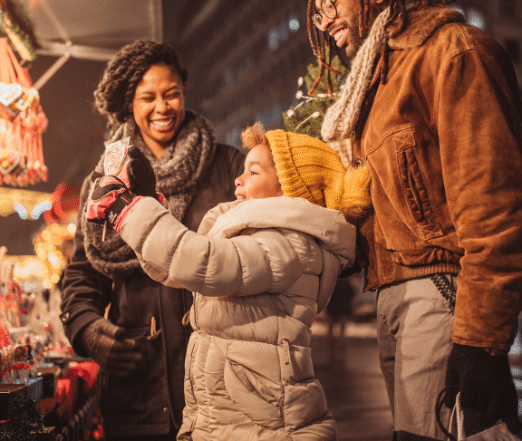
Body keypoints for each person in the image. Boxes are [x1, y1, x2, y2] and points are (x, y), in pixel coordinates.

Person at [305, 0, 522, 440]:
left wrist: (480, 341)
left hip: (441, 292)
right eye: (318, 11)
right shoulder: (373, 85)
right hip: (390, 297)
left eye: (331, 1)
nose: (325, 20)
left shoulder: (453, 52)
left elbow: (493, 207)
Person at [84, 124, 372, 440]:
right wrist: (143, 203)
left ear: (288, 188)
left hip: (265, 424)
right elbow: (177, 268)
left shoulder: (288, 244)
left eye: (253, 173)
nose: (239, 179)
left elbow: (206, 262)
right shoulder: (254, 234)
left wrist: (129, 211)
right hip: (235, 416)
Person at [59, 40, 245, 440]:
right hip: (138, 392)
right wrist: (89, 331)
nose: (162, 107)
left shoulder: (229, 167)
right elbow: (80, 276)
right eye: (148, 97)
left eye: (172, 93)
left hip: (223, 385)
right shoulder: (104, 184)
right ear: (129, 105)